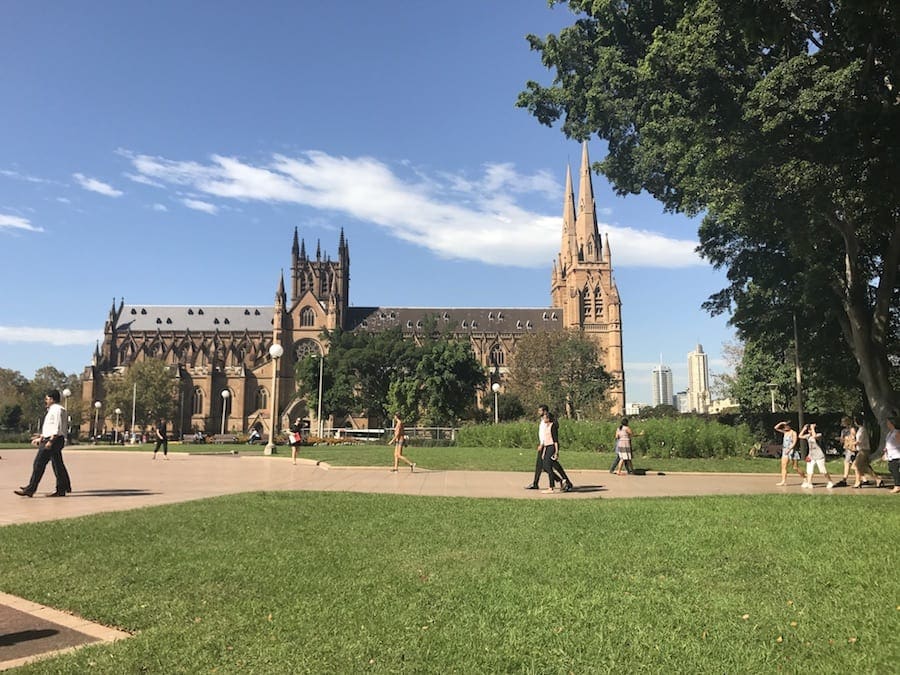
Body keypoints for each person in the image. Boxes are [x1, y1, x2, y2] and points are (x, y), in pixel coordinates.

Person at [15, 389, 72, 498]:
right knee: (57, 464)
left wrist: (51, 440)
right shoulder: (54, 410)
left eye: (47, 398)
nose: (46, 401)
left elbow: (57, 426)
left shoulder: (57, 410)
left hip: (53, 440)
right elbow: (50, 427)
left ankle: (30, 489)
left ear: (52, 399)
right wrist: (41, 437)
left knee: (39, 464)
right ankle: (63, 487)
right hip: (52, 439)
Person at [526, 404, 565, 489]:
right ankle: (536, 483)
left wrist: (542, 444)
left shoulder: (548, 422)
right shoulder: (543, 420)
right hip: (544, 445)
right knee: (543, 465)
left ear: (545, 411)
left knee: (546, 465)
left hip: (546, 445)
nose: (538, 412)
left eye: (540, 410)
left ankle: (562, 481)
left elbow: (546, 435)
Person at [537, 405, 573, 493]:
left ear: (548, 418)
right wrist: (543, 451)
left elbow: (555, 440)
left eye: (545, 418)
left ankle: (551, 487)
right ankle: (562, 481)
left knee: (548, 466)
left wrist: (556, 452)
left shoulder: (552, 426)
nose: (543, 419)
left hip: (552, 447)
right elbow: (545, 439)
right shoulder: (546, 426)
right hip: (547, 447)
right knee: (546, 467)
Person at [798, 423, 833, 489]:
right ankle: (809, 483)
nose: (809, 431)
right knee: (809, 470)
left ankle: (830, 481)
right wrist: (804, 429)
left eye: (810, 430)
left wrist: (813, 428)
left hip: (819, 456)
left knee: (822, 471)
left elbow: (814, 436)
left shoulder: (819, 435)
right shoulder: (808, 436)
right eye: (809, 430)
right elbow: (800, 436)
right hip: (811, 456)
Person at [851, 416, 883, 488]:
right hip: (862, 450)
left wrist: (851, 443)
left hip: (863, 451)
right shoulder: (860, 429)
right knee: (861, 466)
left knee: (857, 466)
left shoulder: (862, 430)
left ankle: (859, 482)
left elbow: (859, 441)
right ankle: (876, 479)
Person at [774, 421, 805, 486]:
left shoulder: (793, 433)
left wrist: (790, 449)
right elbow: (776, 428)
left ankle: (805, 478)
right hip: (785, 451)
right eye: (784, 426)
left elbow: (794, 442)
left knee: (795, 467)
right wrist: (781, 423)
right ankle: (783, 481)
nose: (785, 427)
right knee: (783, 466)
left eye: (786, 425)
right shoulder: (785, 432)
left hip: (792, 451)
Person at [834, 416, 857, 487]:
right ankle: (864, 479)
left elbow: (843, 440)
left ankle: (844, 479)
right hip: (851, 448)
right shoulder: (853, 429)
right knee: (855, 464)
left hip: (850, 448)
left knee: (847, 462)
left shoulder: (846, 431)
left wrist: (840, 439)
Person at [882, 416, 900, 494]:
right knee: (891, 468)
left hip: (897, 455)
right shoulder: (890, 433)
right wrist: (886, 450)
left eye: (888, 422)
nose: (887, 424)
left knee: (894, 470)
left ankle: (897, 486)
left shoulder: (897, 432)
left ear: (892, 423)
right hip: (890, 455)